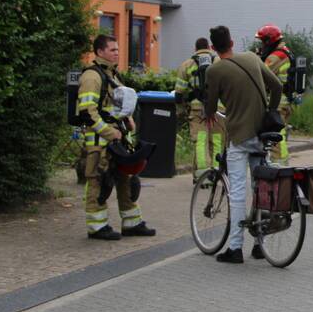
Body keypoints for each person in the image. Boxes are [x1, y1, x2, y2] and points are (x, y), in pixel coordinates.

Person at [203, 25, 283, 264]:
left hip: (240, 136)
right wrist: (271, 111)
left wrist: (208, 115)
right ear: (232, 42)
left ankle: (235, 248)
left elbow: (211, 102)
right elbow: (277, 86)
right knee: (260, 187)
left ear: (213, 47)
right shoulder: (252, 57)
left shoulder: (215, 70)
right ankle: (260, 244)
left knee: (237, 192)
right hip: (263, 132)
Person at [76, 35, 156, 240]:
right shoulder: (92, 76)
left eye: (118, 49)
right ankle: (97, 227)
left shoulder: (112, 74)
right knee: (98, 182)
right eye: (113, 50)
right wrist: (109, 132)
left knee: (127, 178)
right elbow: (87, 112)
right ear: (100, 52)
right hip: (99, 141)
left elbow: (118, 103)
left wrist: (128, 119)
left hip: (116, 138)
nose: (117, 53)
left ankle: (132, 222)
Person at [174, 37, 225, 178]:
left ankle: (203, 174)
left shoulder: (187, 65)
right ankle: (216, 172)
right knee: (216, 141)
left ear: (195, 49)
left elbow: (179, 93)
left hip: (197, 110)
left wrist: (181, 110)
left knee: (200, 141)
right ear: (209, 47)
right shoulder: (219, 62)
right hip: (218, 110)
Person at [256, 24, 293, 165]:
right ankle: (278, 163)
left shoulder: (276, 56)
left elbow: (260, 73)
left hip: (277, 102)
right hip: (283, 101)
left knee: (277, 134)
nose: (261, 44)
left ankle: (280, 165)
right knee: (278, 133)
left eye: (262, 41)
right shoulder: (285, 51)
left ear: (268, 41)